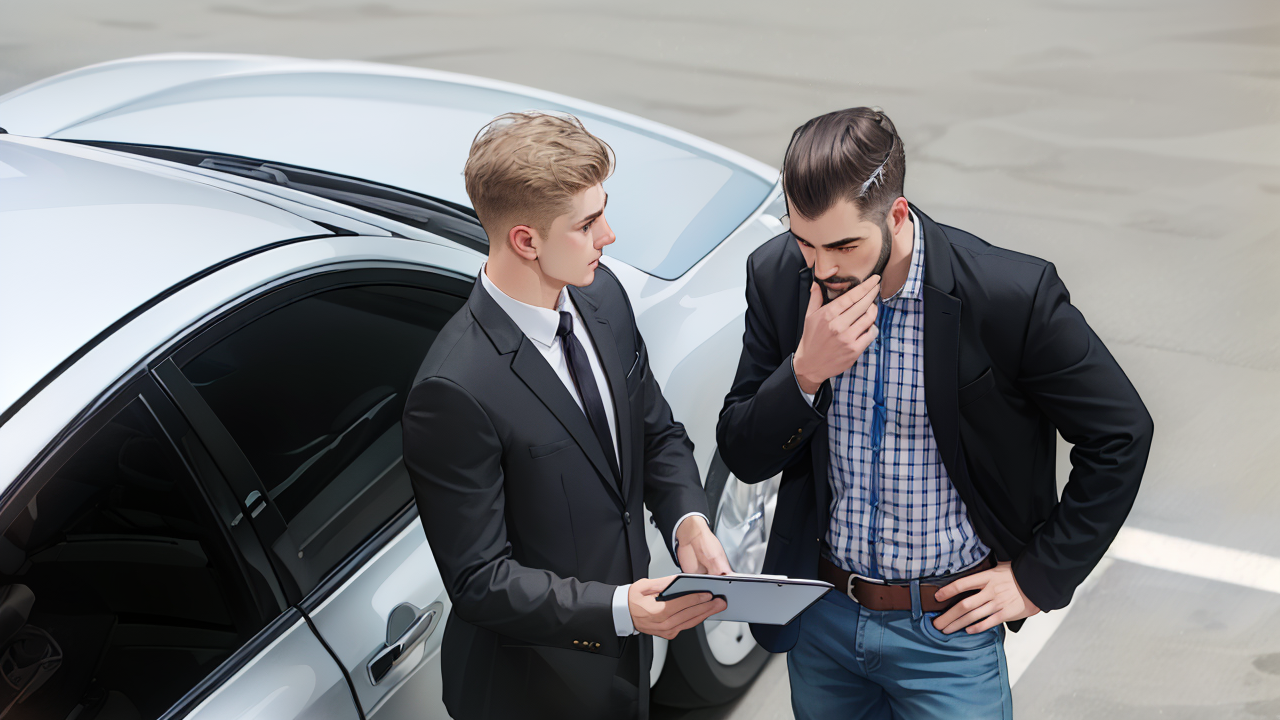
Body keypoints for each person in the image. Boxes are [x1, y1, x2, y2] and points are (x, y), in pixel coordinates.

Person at [716, 107, 1153, 719]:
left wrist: (1036, 578)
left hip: (948, 634)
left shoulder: (1008, 296)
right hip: (822, 619)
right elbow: (743, 450)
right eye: (804, 242)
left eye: (844, 245)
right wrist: (805, 373)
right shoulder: (776, 277)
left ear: (896, 214)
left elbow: (1121, 432)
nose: (821, 268)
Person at [403, 111, 731, 720]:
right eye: (587, 223)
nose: (609, 235)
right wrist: (618, 608)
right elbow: (480, 579)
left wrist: (687, 519)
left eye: (602, 210)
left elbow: (654, 432)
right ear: (526, 240)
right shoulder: (453, 390)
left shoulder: (603, 295)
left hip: (625, 666)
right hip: (531, 690)